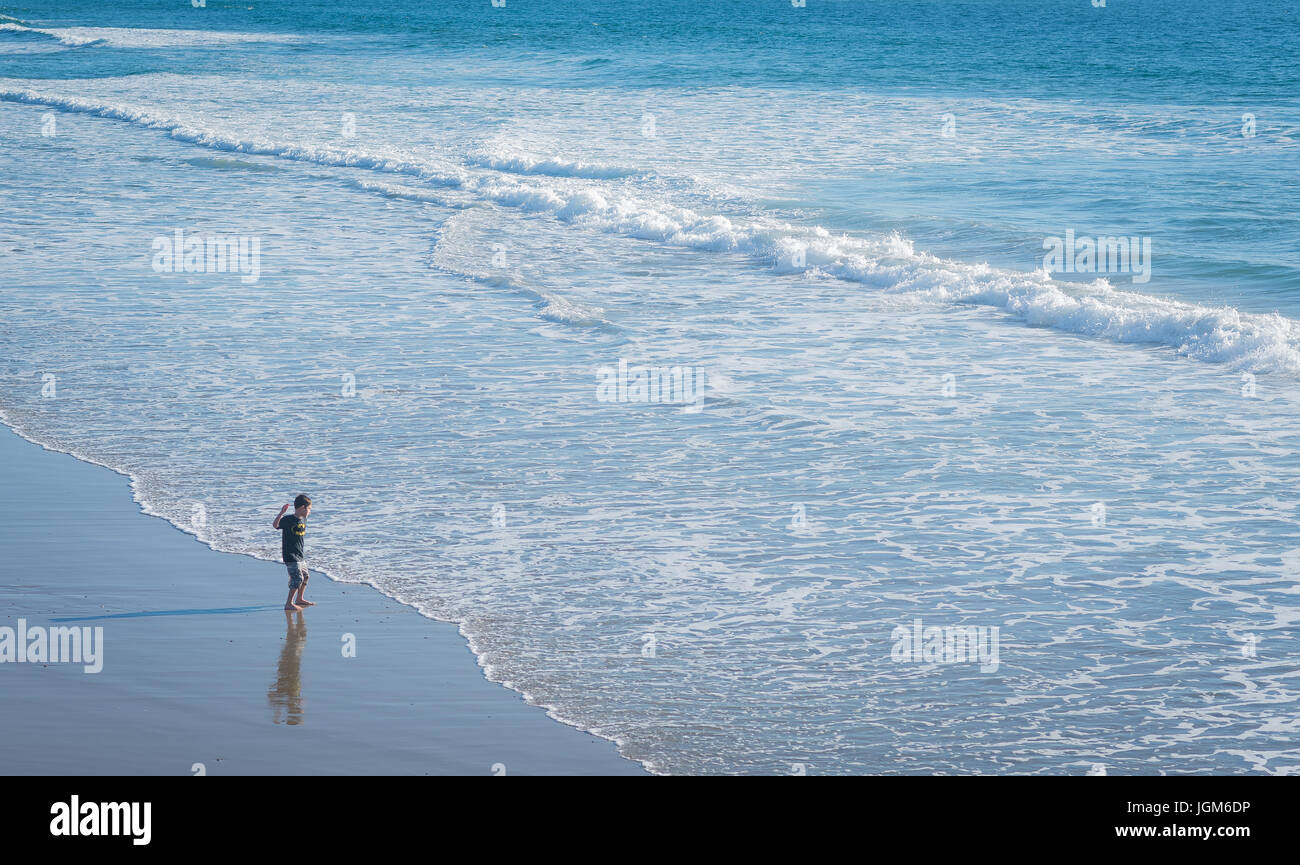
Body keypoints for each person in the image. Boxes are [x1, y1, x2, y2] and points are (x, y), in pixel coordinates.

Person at [273, 494, 314, 610]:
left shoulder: (303, 519)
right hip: (290, 555)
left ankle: (299, 598)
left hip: (300, 555)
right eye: (309, 509)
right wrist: (281, 513)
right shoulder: (288, 519)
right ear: (302, 508)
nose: (310, 511)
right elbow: (275, 525)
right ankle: (288, 603)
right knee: (297, 578)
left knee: (306, 576)